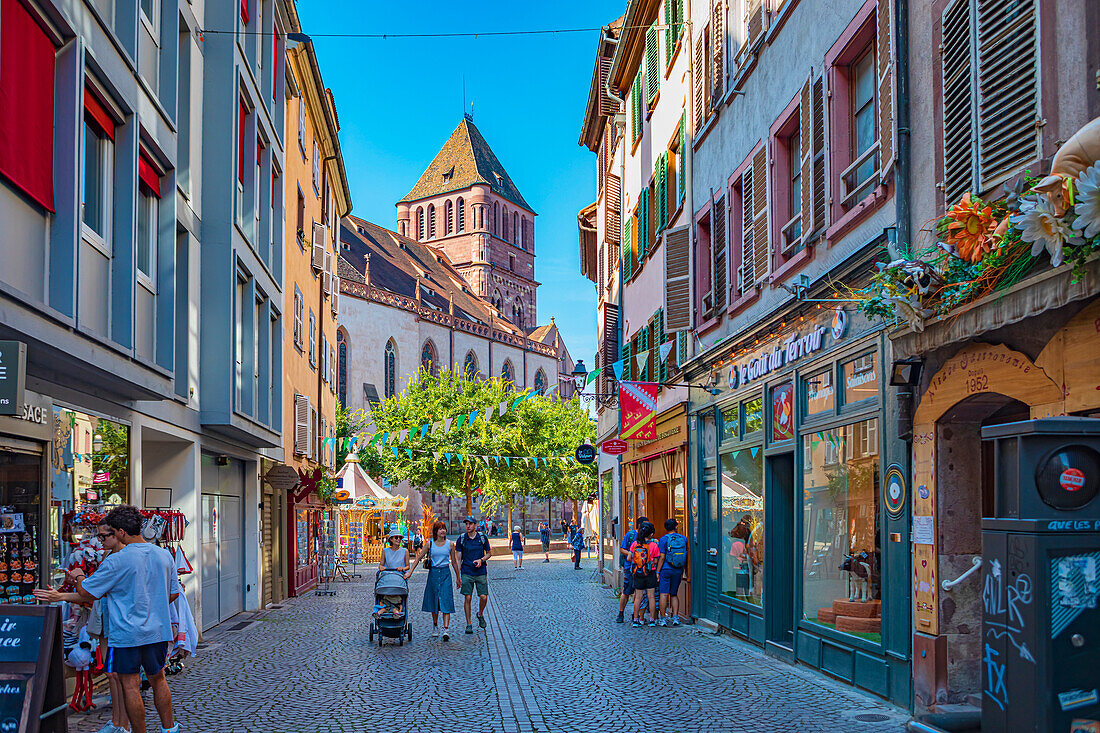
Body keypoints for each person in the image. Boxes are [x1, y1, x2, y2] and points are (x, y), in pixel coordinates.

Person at [35, 505, 180, 733]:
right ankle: (170, 729)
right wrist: (153, 605)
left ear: (121, 531)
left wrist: (78, 576)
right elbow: (173, 593)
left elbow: (87, 592)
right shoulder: (163, 555)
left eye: (111, 531)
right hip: (157, 630)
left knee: (130, 685)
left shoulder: (117, 560)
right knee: (158, 679)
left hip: (126, 634)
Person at [408, 521, 459, 640]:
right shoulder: (430, 544)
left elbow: (454, 561)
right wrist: (410, 571)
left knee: (446, 599)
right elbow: (418, 558)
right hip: (434, 574)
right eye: (440, 529)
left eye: (444, 528)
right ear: (436, 531)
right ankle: (435, 625)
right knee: (434, 600)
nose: (443, 531)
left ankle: (446, 630)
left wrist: (458, 577)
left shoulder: (450, 544)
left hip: (446, 573)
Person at [454, 515, 492, 634]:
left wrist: (481, 560)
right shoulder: (461, 539)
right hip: (467, 571)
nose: (468, 526)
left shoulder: (482, 537)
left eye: (470, 524)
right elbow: (458, 559)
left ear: (475, 525)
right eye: (466, 524)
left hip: (480, 572)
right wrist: (458, 576)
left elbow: (489, 553)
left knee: (483, 597)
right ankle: (468, 624)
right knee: (468, 597)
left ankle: (480, 614)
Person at [616, 516, 649, 623]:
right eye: (645, 525)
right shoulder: (630, 535)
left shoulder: (647, 537)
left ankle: (636, 614)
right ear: (639, 525)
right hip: (630, 568)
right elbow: (622, 549)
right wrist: (632, 554)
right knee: (626, 591)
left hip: (642, 569)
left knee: (638, 593)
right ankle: (621, 613)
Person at [656, 518, 688, 626]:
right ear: (676, 527)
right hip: (678, 569)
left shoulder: (663, 539)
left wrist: (657, 571)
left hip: (666, 569)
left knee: (663, 594)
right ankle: (675, 617)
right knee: (674, 594)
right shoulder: (683, 538)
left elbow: (662, 556)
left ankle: (663, 619)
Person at [629, 522, 660, 628]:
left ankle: (636, 620)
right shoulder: (654, 545)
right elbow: (655, 560)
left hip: (638, 572)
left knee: (638, 597)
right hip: (650, 572)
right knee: (651, 597)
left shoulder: (635, 544)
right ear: (651, 534)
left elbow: (629, 558)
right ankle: (652, 620)